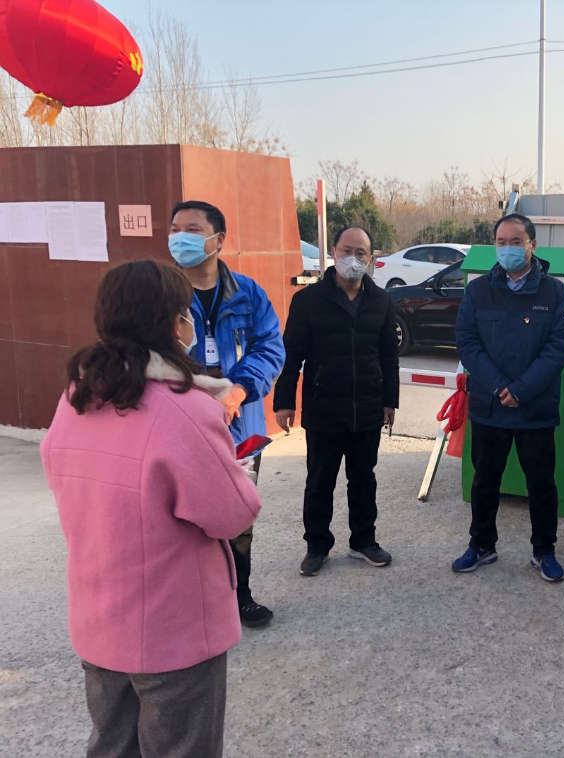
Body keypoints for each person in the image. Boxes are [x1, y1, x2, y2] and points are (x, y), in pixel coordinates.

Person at [40, 260, 262, 758]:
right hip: (173, 628)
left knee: (112, 745)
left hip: (99, 616)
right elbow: (232, 514)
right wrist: (237, 474)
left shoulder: (77, 396)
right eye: (184, 312)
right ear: (172, 322)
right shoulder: (186, 408)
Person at [169, 200, 285, 628]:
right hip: (180, 426)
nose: (180, 238)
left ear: (218, 240)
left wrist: (238, 391)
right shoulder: (162, 293)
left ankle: (241, 596)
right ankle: (191, 602)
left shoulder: (248, 293)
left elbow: (270, 348)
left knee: (237, 513)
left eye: (192, 229)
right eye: (175, 229)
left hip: (240, 427)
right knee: (181, 517)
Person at [452, 213, 564, 582]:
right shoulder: (478, 291)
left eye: (516, 242)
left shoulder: (555, 293)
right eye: (501, 242)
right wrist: (498, 386)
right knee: (484, 481)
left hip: (534, 410)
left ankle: (544, 551)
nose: (508, 249)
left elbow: (559, 347)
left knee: (541, 484)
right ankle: (481, 545)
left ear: (532, 246)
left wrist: (521, 389)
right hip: (489, 408)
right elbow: (467, 342)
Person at [274, 226, 399, 577]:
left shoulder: (381, 301)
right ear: (333, 252)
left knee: (364, 480)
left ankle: (364, 541)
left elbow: (389, 357)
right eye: (346, 251)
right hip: (323, 407)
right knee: (319, 481)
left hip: (368, 408)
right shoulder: (308, 300)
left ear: (371, 259)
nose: (353, 259)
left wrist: (390, 401)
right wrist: (284, 401)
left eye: (361, 253)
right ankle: (317, 546)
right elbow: (292, 354)